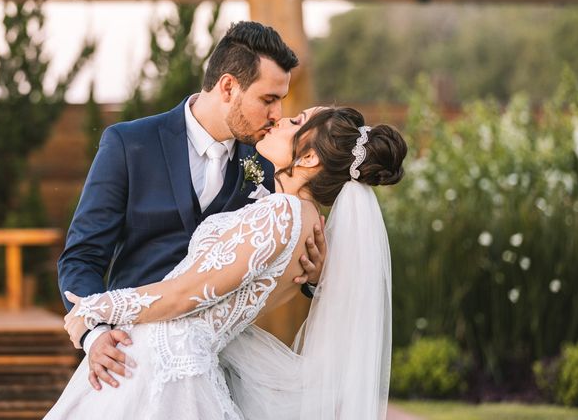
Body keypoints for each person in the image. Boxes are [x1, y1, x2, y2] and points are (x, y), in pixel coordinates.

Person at [47, 106, 407, 419]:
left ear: (310, 159)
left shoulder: (282, 212)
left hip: (165, 365)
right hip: (164, 358)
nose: (279, 120)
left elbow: (187, 294)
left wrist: (95, 307)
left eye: (295, 121)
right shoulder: (307, 222)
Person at [57, 21, 327, 391]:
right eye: (268, 99)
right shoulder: (129, 144)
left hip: (221, 369)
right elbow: (82, 258)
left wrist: (311, 279)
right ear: (228, 86)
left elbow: (272, 259)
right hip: (130, 363)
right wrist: (96, 334)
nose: (277, 114)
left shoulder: (270, 163)